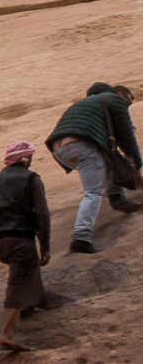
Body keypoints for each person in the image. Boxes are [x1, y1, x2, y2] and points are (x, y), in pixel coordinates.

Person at [44, 82, 141, 253]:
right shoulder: (114, 99)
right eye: (128, 100)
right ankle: (81, 238)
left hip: (60, 150)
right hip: (81, 147)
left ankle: (117, 196)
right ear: (119, 94)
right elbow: (127, 138)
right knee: (93, 192)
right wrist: (137, 167)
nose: (128, 105)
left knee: (108, 160)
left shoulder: (87, 106)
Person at [0, 139, 50, 351]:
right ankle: (8, 335)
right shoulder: (31, 178)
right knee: (19, 279)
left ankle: (29, 305)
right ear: (25, 158)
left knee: (27, 265)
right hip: (20, 235)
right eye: (30, 156)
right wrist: (45, 245)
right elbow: (42, 213)